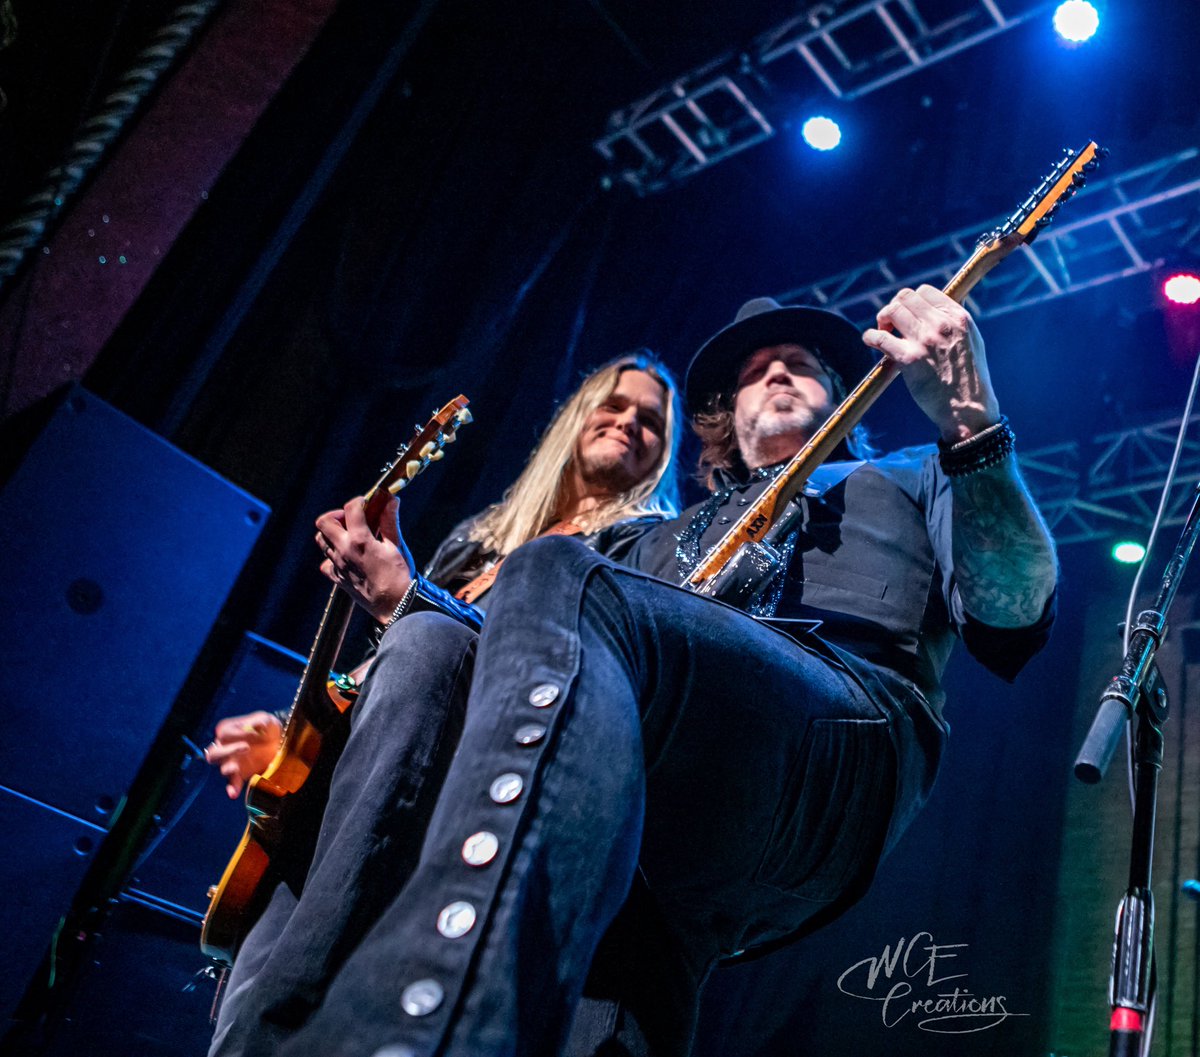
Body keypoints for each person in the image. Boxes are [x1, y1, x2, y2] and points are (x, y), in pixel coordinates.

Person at [214, 285, 1057, 1057]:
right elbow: (511, 660)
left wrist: (972, 424)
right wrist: (410, 599)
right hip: (648, 797)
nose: (778, 375)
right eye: (755, 372)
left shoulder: (911, 476)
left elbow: (1013, 607)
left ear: (841, 391)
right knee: (429, 647)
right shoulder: (639, 540)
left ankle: (422, 1023)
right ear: (722, 416)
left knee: (553, 571)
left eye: (800, 365)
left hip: (831, 759)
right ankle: (273, 1027)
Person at [204, 351, 682, 1054]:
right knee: (244, 1017)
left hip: (446, 815)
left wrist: (410, 599)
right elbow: (384, 672)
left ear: (664, 454)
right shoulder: (478, 539)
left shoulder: (636, 552)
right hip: (350, 787)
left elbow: (552, 676)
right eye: (614, 404)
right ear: (574, 418)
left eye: (651, 420)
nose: (629, 422)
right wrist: (288, 733)